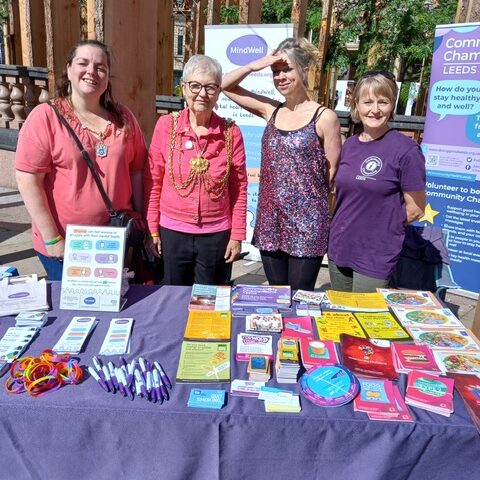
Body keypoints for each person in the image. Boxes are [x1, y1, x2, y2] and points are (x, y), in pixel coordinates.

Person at [15, 39, 146, 280]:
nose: (91, 72)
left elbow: (137, 172)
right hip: (65, 245)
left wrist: (142, 222)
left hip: (115, 242)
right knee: (76, 314)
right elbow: (28, 180)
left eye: (100, 67)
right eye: (83, 63)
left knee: (118, 308)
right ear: (68, 69)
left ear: (107, 77)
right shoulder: (45, 117)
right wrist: (52, 238)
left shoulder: (124, 118)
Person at [221, 38, 341, 291]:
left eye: (287, 69)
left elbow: (331, 175)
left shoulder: (325, 117)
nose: (280, 77)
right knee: (275, 295)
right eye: (276, 72)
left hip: (307, 224)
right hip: (271, 221)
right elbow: (225, 85)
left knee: (300, 297)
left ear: (304, 70)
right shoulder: (270, 110)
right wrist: (255, 66)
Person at [144, 54, 248, 286]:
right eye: (195, 86)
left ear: (219, 92)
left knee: (210, 305)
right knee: (172, 300)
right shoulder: (166, 126)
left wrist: (237, 235)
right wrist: (152, 229)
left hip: (216, 236)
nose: (202, 93)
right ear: (183, 89)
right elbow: (154, 181)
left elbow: (239, 187)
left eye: (210, 87)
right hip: (172, 233)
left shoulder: (231, 133)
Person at [328, 70, 426, 292]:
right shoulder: (349, 145)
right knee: (341, 317)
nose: (374, 110)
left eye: (383, 102)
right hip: (339, 248)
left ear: (392, 106)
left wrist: (383, 228)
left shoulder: (406, 150)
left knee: (367, 319)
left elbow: (416, 209)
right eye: (368, 101)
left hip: (375, 255)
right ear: (357, 105)